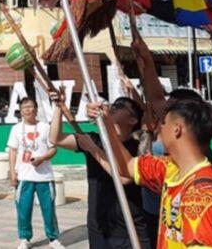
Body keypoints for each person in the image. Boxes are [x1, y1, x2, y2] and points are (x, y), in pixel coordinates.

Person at [86, 95, 212, 249]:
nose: (159, 127)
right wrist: (107, 124)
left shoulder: (202, 193)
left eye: (163, 123)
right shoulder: (170, 168)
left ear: (177, 129)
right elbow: (127, 166)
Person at [49, 94, 150, 249]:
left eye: (122, 105)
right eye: (114, 103)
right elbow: (56, 139)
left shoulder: (138, 148)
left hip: (130, 229)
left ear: (133, 120)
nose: (115, 105)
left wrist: (93, 150)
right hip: (99, 227)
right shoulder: (95, 139)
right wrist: (58, 107)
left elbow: (124, 178)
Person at [9, 97, 62, 249]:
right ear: (21, 111)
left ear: (36, 109)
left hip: (44, 176)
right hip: (24, 177)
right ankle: (25, 238)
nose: (28, 110)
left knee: (49, 209)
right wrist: (12, 173)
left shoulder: (45, 127)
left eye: (31, 106)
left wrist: (42, 158)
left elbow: (53, 149)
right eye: (24, 107)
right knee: (23, 209)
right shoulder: (16, 129)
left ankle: (53, 239)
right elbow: (12, 151)